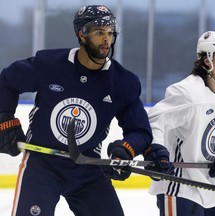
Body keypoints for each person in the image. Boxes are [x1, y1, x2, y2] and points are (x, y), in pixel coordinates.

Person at [0, 5, 170, 216]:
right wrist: (4, 119)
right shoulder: (49, 65)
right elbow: (7, 81)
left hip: (88, 167)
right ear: (81, 34)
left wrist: (125, 150)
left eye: (110, 33)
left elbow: (140, 131)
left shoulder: (122, 82)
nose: (107, 39)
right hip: (42, 166)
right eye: (99, 33)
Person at [144, 30, 215, 216]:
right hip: (179, 186)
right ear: (207, 59)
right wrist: (156, 150)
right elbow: (154, 120)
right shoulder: (187, 93)